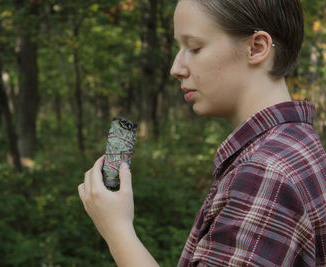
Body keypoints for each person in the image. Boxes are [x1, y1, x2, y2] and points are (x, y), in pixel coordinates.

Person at [78, 0, 326, 266]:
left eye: (194, 48)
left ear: (256, 47)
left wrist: (117, 230)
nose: (176, 68)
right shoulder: (299, 142)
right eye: (179, 48)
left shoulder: (264, 173)